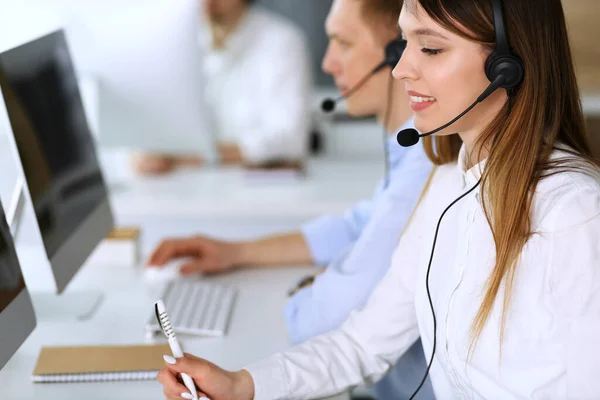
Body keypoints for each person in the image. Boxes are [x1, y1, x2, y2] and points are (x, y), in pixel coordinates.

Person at [156, 0, 600, 398]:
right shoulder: (450, 182)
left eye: (430, 48)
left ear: (509, 65)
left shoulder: (576, 217)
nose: (400, 68)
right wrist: (241, 386)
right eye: (404, 43)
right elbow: (362, 344)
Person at [149, 0, 437, 397]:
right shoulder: (411, 153)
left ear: (397, 54)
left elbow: (324, 321)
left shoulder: (428, 165)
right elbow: (357, 224)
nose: (328, 63)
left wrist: (308, 291)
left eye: (343, 43)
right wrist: (236, 253)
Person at [133, 0, 312, 174]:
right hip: (187, 190)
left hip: (258, 193)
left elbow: (290, 140)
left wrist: (191, 157)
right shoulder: (178, 40)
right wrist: (151, 151)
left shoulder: (281, 41)